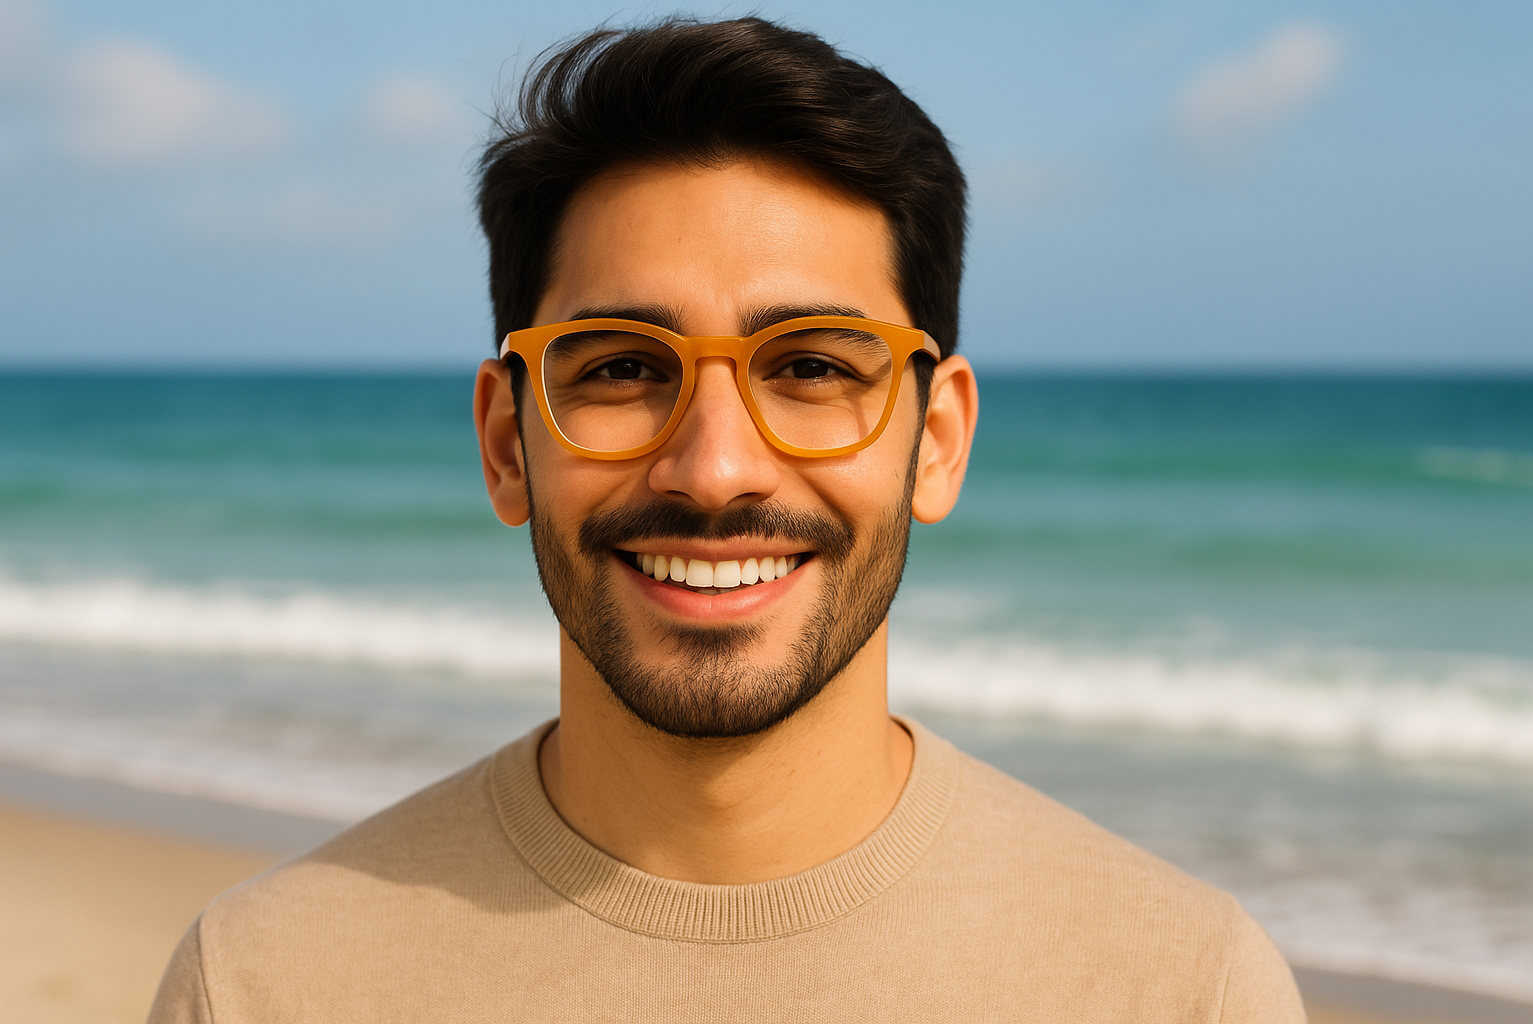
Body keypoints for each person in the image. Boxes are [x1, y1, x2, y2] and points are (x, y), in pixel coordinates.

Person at [149, 17, 1304, 1022]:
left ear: (937, 439)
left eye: (808, 364)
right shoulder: (265, 984)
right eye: (618, 369)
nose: (713, 468)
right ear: (507, 441)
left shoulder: (1184, 989)